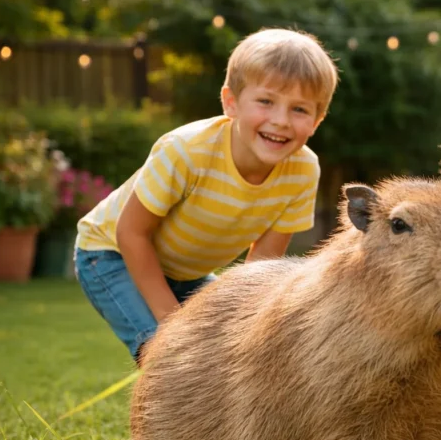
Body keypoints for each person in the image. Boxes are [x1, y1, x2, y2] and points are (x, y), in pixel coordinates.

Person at [74, 28, 338, 363]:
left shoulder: (303, 171)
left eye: (299, 109)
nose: (281, 121)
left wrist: (244, 332)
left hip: (188, 272)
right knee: (169, 354)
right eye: (266, 101)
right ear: (231, 103)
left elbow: (258, 270)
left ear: (317, 119)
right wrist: (175, 323)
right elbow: (131, 233)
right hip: (109, 253)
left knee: (218, 357)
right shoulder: (186, 151)